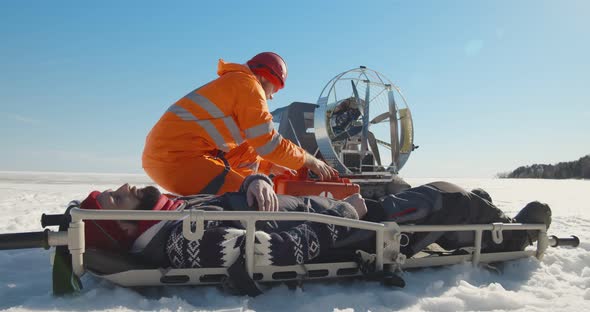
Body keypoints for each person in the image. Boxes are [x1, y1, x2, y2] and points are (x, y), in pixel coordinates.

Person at [78, 176, 552, 269]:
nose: (127, 187)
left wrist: (256, 181)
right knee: (448, 198)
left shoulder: (176, 212)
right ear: (122, 225)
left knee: (464, 197)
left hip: (343, 216)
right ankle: (513, 237)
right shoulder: (180, 239)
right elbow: (275, 252)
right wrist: (350, 214)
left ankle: (486, 216)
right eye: (116, 198)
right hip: (359, 233)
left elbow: (235, 199)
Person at [142, 52, 338, 196]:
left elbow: (236, 152)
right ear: (265, 77)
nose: (270, 97)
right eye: (275, 90)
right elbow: (269, 143)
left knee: (250, 187)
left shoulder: (234, 84)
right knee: (253, 197)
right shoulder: (248, 86)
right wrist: (311, 161)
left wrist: (269, 167)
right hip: (178, 160)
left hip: (168, 159)